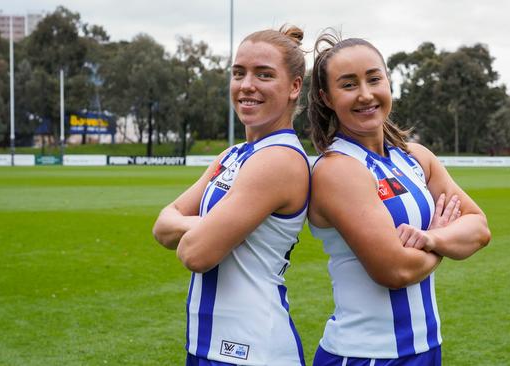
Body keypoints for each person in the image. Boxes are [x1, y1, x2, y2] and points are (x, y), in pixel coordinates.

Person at [307, 31, 491, 365]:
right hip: (365, 356)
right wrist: (443, 245)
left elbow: (478, 228)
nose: (366, 95)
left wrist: (431, 236)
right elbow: (394, 270)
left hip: (425, 349)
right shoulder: (337, 170)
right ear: (326, 98)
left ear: (388, 81)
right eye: (348, 85)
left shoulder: (417, 158)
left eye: (374, 79)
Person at [152, 25, 310, 366]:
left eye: (264, 75)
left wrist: (198, 230)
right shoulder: (233, 155)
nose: (247, 85)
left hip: (252, 351)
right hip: (209, 347)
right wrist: (211, 225)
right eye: (239, 73)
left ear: (294, 87)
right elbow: (161, 226)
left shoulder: (279, 159)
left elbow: (195, 254)